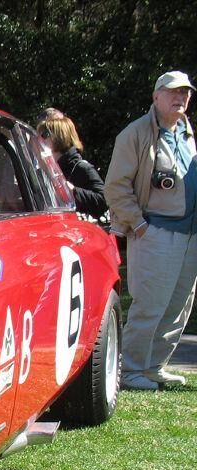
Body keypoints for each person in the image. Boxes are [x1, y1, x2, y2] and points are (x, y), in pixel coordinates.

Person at [105, 70, 197, 390]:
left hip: (190, 235)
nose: (180, 98)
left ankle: (155, 366)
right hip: (155, 232)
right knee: (150, 304)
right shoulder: (136, 133)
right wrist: (138, 223)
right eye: (173, 92)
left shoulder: (186, 132)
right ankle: (130, 370)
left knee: (178, 305)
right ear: (156, 96)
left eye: (185, 93)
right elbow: (115, 187)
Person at [35, 115, 106, 219]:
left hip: (83, 231)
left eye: (44, 134)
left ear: (59, 136)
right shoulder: (49, 169)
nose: (40, 140)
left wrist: (73, 192)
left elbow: (104, 201)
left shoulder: (82, 167)